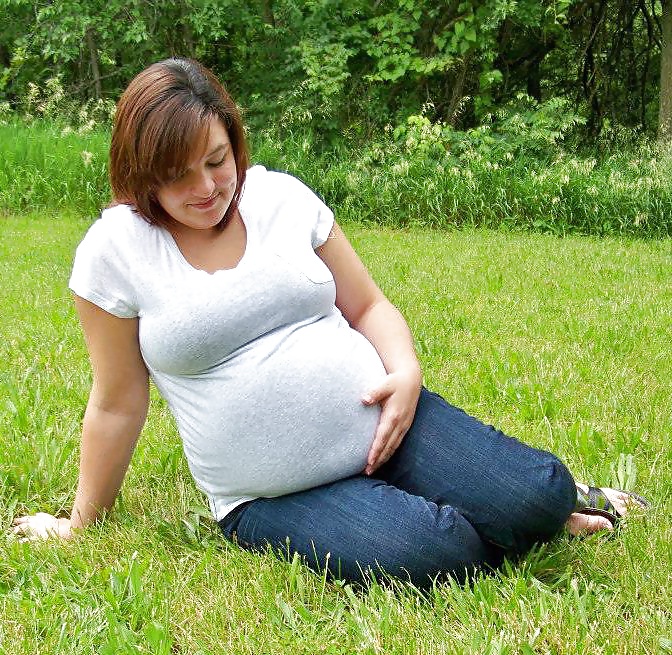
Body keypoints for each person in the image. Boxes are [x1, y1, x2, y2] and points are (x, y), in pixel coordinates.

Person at [12, 58, 648, 586]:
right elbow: (119, 399)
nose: (205, 187)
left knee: (538, 491)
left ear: (234, 140)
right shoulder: (114, 251)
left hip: (390, 423)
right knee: (437, 553)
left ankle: (538, 512)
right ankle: (498, 522)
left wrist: (404, 372)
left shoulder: (281, 199)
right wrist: (80, 522)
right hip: (273, 495)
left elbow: (368, 305)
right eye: (176, 175)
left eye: (216, 160)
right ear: (140, 172)